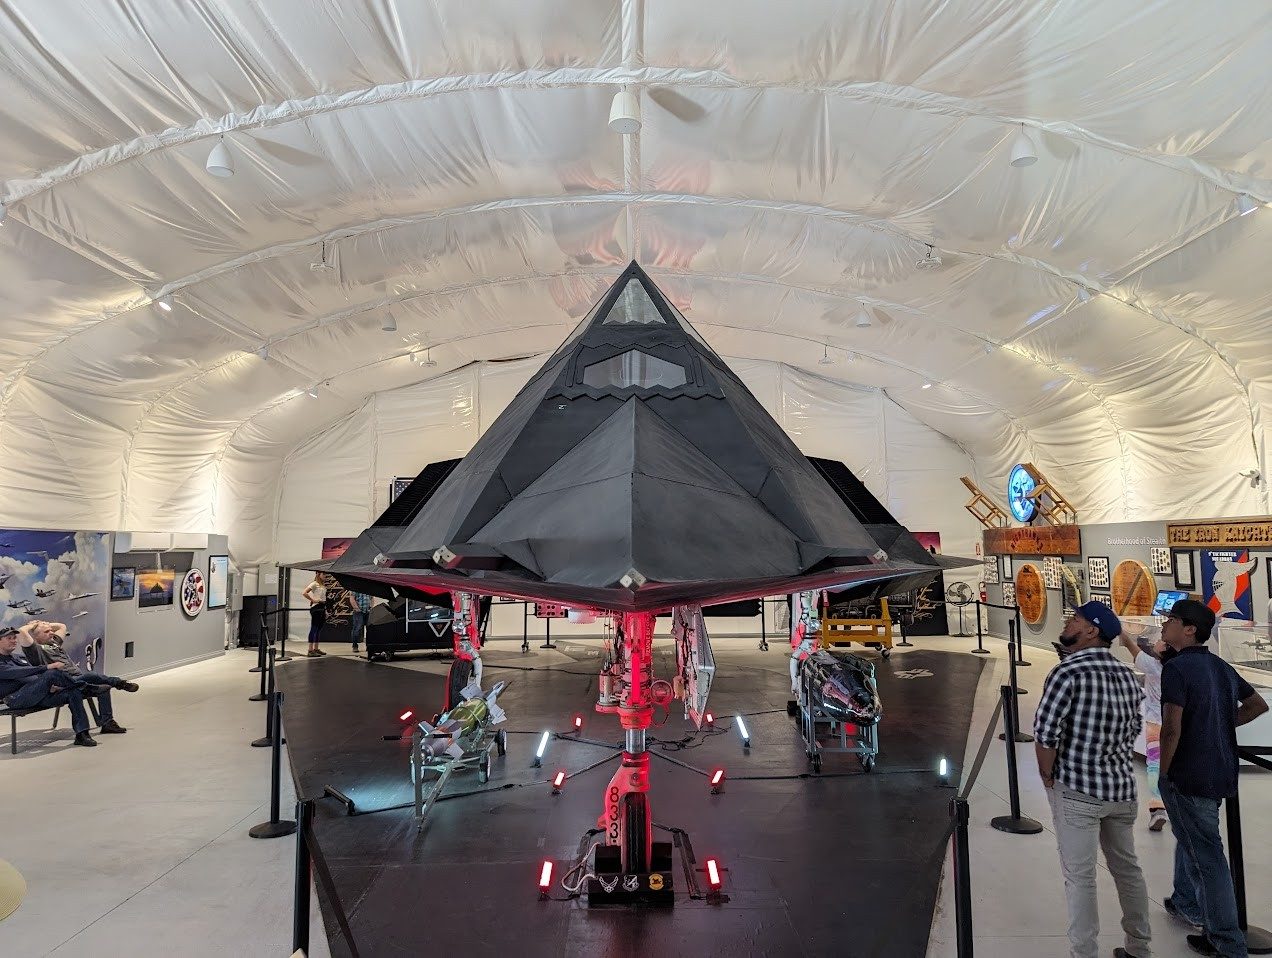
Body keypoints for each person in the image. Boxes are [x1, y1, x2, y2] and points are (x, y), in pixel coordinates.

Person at [1034, 600, 1152, 958]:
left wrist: (1048, 776)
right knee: (1127, 870)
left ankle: (1083, 952)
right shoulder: (1129, 677)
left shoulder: (1066, 673)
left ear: (1091, 631)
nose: (1068, 622)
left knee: (1080, 877)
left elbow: (1046, 734)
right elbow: (1132, 730)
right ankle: (1139, 946)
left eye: (1076, 619)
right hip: (1121, 790)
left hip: (1078, 791)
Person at [1158, 599, 1268, 958]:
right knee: (1191, 836)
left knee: (1207, 856)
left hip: (1188, 774)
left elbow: (1171, 728)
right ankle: (1185, 900)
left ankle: (1226, 941)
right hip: (1219, 770)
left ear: (1190, 629)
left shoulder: (1176, 669)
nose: (1165, 625)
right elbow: (1256, 705)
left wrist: (1162, 772)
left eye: (1172, 620)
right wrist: (1219, 723)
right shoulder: (1219, 667)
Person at [19, 620, 138, 733]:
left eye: (51, 630)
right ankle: (119, 683)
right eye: (46, 632)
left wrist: (45, 624)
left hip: (78, 679)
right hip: (62, 684)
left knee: (104, 687)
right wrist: (33, 626)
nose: (51, 633)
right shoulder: (35, 649)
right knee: (92, 675)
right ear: (36, 636)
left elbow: (62, 626)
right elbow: (22, 631)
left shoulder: (54, 642)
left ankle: (107, 723)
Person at [0, 627, 98, 746]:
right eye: (9, 638)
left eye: (15, 637)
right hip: (17, 699)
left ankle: (82, 734)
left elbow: (35, 676)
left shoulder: (18, 657)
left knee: (74, 692)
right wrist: (47, 667)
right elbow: (19, 672)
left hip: (37, 694)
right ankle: (85, 687)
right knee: (51, 673)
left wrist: (47, 686)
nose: (14, 640)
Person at [1117, 628, 1169, 831]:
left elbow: (1132, 648)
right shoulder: (1178, 668)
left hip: (1154, 724)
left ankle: (1158, 808)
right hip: (1176, 725)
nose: (1156, 642)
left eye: (1160, 641)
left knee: (1154, 765)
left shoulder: (1153, 666)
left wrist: (1121, 632)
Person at [302, 574, 328, 657]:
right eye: (323, 574)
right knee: (314, 628)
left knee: (319, 629)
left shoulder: (323, 585)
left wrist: (325, 611)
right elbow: (304, 592)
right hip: (316, 608)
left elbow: (324, 598)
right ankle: (310, 650)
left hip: (322, 607)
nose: (325, 576)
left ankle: (316, 649)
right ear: (318, 575)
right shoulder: (314, 583)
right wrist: (313, 600)